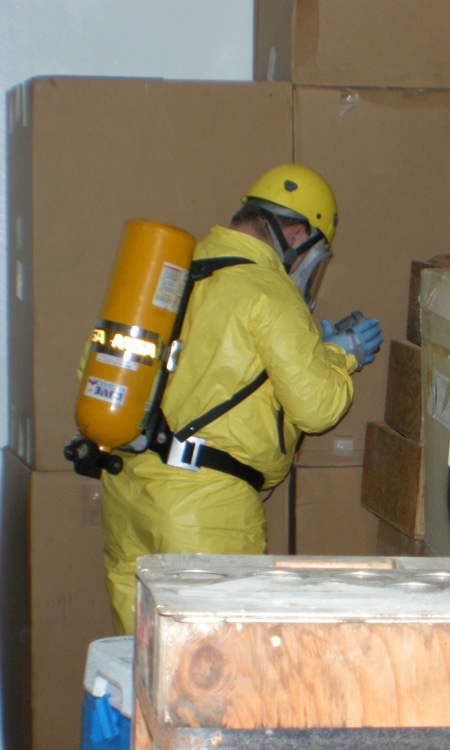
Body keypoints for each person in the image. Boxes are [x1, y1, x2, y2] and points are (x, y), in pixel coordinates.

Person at [98, 164, 382, 634]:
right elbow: (317, 408)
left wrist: (312, 350)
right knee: (210, 664)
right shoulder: (269, 292)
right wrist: (341, 355)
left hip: (129, 490)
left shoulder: (178, 269)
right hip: (202, 513)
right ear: (297, 234)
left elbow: (210, 372)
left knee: (142, 657)